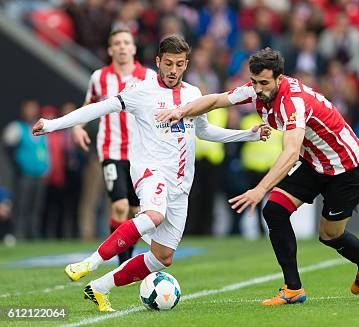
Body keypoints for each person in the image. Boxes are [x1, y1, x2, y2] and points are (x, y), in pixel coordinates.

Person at [33, 34, 271, 312]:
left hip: (181, 183)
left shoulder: (194, 94)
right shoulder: (141, 91)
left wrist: (248, 135)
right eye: (168, 63)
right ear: (158, 61)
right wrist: (52, 125)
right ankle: (90, 262)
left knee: (163, 257)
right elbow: (99, 108)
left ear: (186, 64)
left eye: (179, 64)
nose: (173, 70)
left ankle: (98, 288)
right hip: (149, 170)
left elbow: (204, 131)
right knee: (153, 214)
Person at [156, 47, 359, 306]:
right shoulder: (256, 89)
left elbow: (291, 151)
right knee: (274, 210)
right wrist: (181, 111)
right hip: (316, 162)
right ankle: (293, 289)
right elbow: (216, 100)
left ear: (280, 78)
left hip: (346, 167)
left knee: (330, 235)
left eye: (264, 82)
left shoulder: (292, 101)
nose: (258, 88)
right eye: (254, 82)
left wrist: (259, 189)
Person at [73, 28, 156, 264]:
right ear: (110, 49)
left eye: (126, 42)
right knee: (118, 207)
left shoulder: (148, 77)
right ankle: (123, 264)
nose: (121, 47)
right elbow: (88, 105)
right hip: (111, 151)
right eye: (117, 43)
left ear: (133, 48)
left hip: (141, 153)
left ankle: (127, 259)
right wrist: (78, 126)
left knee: (133, 211)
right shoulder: (99, 77)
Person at [2, 100, 49, 240]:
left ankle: (33, 234)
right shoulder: (17, 127)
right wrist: (18, 166)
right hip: (24, 174)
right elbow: (7, 148)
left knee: (36, 206)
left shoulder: (41, 127)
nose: (31, 112)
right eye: (29, 109)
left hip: (39, 174)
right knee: (22, 205)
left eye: (34, 109)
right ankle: (19, 233)